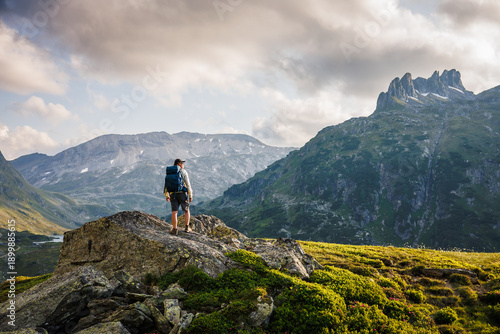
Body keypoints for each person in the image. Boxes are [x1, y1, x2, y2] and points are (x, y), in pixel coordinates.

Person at [164, 158, 193, 235]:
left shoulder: (170, 172)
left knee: (174, 212)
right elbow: (188, 184)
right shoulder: (183, 172)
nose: (183, 164)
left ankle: (175, 229)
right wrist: (190, 195)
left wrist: (166, 195)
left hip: (173, 194)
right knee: (186, 210)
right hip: (182, 193)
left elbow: (166, 184)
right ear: (179, 164)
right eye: (182, 163)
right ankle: (187, 227)